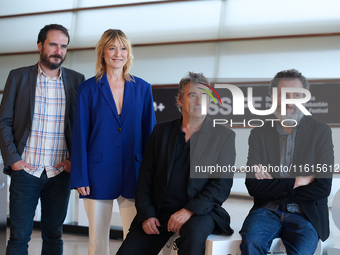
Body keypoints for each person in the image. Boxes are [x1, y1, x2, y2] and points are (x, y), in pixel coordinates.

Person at [117, 72, 235, 255]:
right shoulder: (161, 132)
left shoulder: (223, 136)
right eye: (192, 95)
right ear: (180, 100)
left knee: (194, 236)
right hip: (158, 211)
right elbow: (145, 178)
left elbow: (221, 185)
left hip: (199, 213)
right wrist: (147, 214)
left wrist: (189, 210)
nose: (199, 101)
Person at [0, 24, 85, 255]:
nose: (59, 51)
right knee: (18, 237)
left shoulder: (78, 81)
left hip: (59, 174)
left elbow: (82, 128)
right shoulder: (18, 77)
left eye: (64, 46)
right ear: (40, 46)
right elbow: (4, 122)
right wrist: (14, 160)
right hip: (25, 171)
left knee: (53, 235)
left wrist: (73, 161)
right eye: (53, 44)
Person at [70, 29, 156, 255]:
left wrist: (153, 178)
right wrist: (80, 176)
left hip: (135, 174)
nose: (118, 53)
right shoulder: (88, 89)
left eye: (123, 48)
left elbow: (150, 137)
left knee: (135, 240)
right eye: (112, 47)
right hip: (97, 174)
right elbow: (79, 135)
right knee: (97, 242)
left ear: (129, 53)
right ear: (103, 53)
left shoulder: (144, 88)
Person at [240, 69, 334, 255]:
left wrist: (275, 186)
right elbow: (253, 186)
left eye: (297, 95)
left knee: (302, 251)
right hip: (267, 210)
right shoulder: (259, 133)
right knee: (251, 243)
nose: (290, 101)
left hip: (306, 213)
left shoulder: (320, 131)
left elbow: (323, 187)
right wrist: (298, 181)